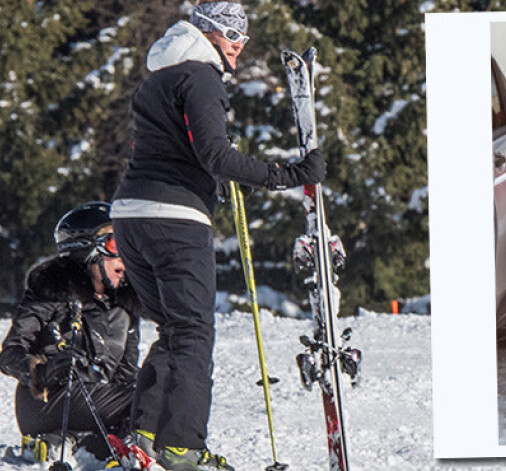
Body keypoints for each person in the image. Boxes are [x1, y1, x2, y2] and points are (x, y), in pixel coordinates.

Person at [109, 1, 325, 469]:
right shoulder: (201, 77)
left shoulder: (157, 80)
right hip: (174, 221)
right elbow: (216, 155)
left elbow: (183, 150)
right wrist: (289, 174)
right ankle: (183, 448)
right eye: (232, 35)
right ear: (208, 33)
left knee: (173, 329)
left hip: (129, 215)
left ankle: (142, 435)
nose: (239, 46)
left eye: (243, 37)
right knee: (193, 333)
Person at [0, 202, 140, 463]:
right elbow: (10, 352)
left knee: (157, 394)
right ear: (86, 250)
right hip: (46, 400)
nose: (124, 257)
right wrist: (41, 370)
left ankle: (82, 446)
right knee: (145, 399)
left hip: (95, 405)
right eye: (115, 245)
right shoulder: (52, 292)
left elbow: (127, 375)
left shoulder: (124, 306)